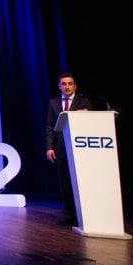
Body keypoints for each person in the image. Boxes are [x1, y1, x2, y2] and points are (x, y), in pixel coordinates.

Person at [45, 71, 93, 226]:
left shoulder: (85, 102)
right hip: (62, 148)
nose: (67, 87)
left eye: (70, 83)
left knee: (81, 181)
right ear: (59, 86)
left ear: (75, 86)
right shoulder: (54, 103)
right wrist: (50, 147)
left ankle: (85, 214)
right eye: (64, 84)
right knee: (65, 181)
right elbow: (50, 127)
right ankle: (68, 215)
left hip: (81, 146)